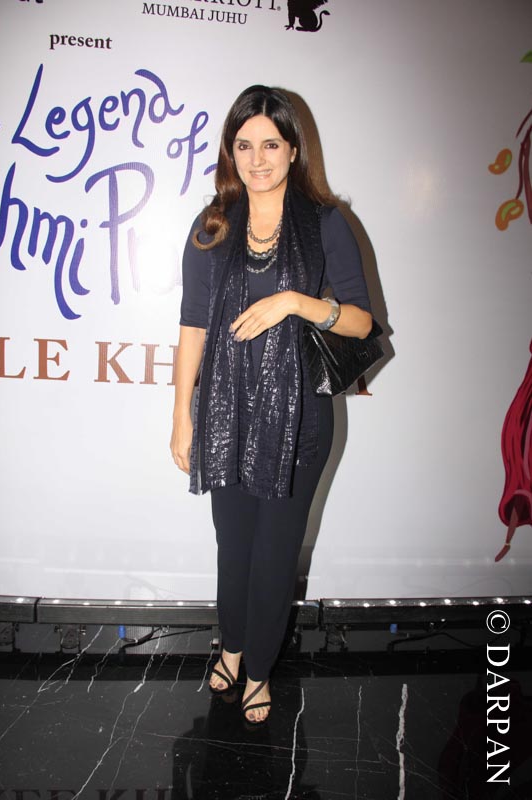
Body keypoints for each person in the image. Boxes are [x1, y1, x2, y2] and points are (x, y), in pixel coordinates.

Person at [170, 85, 372, 724]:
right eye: (244, 145)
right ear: (230, 152)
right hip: (226, 413)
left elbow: (362, 322)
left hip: (300, 418)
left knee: (276, 551)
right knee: (232, 543)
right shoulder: (213, 225)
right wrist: (181, 416)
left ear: (292, 150)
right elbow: (192, 328)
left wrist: (295, 301)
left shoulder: (326, 222)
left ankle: (258, 668)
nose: (257, 159)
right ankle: (230, 647)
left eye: (271, 145)